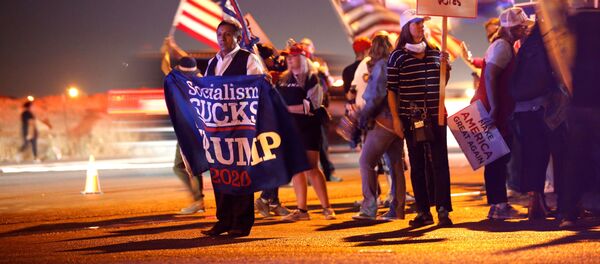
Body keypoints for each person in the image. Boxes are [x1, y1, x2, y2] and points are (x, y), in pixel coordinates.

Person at [387, 9, 453, 227]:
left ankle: (443, 209)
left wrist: (446, 66)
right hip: (411, 116)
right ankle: (424, 211)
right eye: (416, 23)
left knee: (440, 162)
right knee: (417, 163)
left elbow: (442, 84)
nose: (421, 26)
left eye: (422, 23)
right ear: (406, 27)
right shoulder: (397, 56)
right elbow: (392, 90)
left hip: (436, 114)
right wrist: (396, 119)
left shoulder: (436, 52)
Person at [200, 20, 265, 238]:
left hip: (241, 128)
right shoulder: (212, 63)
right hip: (217, 130)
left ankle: (242, 222)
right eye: (219, 34)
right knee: (220, 175)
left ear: (238, 37)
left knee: (241, 175)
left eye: (228, 34)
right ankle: (224, 220)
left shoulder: (248, 59)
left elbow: (258, 88)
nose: (222, 38)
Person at [472, 7, 532, 220]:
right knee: (498, 159)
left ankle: (498, 205)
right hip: (492, 109)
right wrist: (496, 107)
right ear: (511, 28)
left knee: (497, 158)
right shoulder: (503, 47)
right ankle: (499, 206)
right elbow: (490, 76)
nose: (523, 30)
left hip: (490, 107)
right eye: (521, 27)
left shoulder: (501, 45)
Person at [509, 22, 568, 221]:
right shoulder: (551, 43)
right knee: (561, 154)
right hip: (546, 108)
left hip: (524, 108)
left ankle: (535, 204)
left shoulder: (527, 44)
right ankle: (565, 205)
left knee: (534, 156)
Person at [277, 43, 336, 222]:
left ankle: (327, 208)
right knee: (297, 169)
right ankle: (302, 210)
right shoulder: (283, 78)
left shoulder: (312, 78)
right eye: (288, 56)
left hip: (309, 127)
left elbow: (312, 106)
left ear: (302, 58)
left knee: (311, 167)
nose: (289, 59)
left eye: (293, 56)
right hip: (290, 128)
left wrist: (285, 109)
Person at [352, 34, 406, 221]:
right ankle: (398, 210)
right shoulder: (395, 63)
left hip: (384, 121)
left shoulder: (381, 66)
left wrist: (362, 117)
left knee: (366, 162)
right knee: (396, 165)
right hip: (398, 122)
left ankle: (369, 207)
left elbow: (375, 96)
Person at [253, 43, 292, 218]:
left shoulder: (267, 73)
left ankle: (274, 202)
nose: (273, 61)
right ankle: (264, 198)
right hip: (266, 124)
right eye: (270, 58)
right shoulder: (260, 75)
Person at [299, 38, 340, 182]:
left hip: (319, 107)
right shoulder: (299, 61)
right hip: (304, 108)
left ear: (313, 47)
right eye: (303, 45)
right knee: (307, 144)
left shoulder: (319, 62)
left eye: (308, 45)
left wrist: (324, 72)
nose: (305, 47)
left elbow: (328, 82)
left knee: (321, 142)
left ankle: (328, 172)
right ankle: (309, 174)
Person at [171, 56, 205, 215]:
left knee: (180, 166)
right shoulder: (201, 82)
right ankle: (199, 201)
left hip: (187, 130)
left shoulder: (181, 84)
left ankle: (197, 200)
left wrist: (166, 49)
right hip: (200, 130)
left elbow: (165, 67)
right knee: (193, 166)